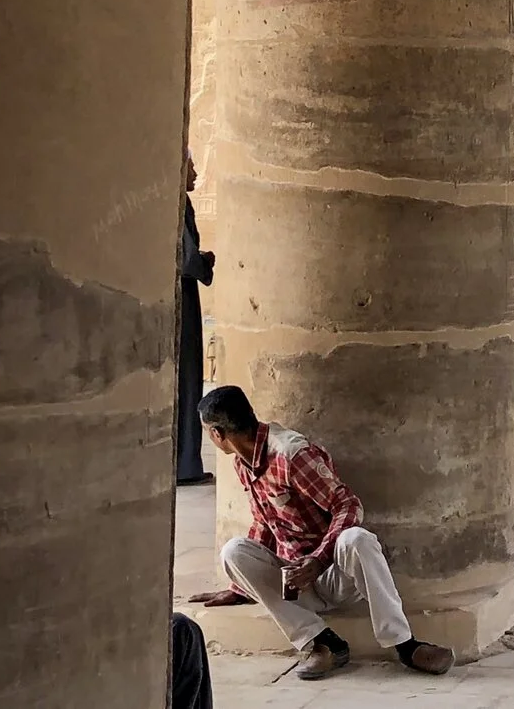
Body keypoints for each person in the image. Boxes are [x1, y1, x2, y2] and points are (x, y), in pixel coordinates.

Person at [186, 385, 455, 680]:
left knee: (357, 539)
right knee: (233, 552)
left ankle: (405, 645)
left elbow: (348, 505)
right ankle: (324, 643)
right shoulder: (243, 463)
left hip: (335, 574)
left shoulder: (291, 454)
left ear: (217, 434)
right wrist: (240, 586)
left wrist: (318, 560)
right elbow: (264, 523)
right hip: (296, 581)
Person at [176, 152, 216, 486]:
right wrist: (205, 263)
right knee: (187, 379)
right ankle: (185, 465)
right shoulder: (181, 205)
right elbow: (187, 260)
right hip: (183, 298)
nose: (195, 171)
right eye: (190, 165)